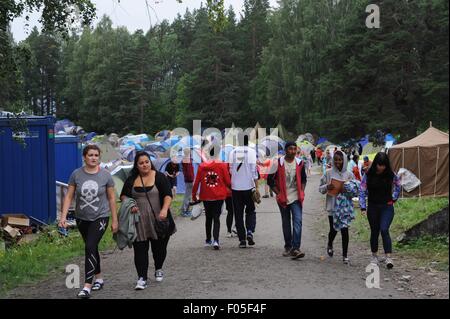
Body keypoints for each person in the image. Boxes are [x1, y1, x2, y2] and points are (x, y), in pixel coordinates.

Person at [59, 144, 118, 299]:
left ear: (99, 158)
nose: (93, 158)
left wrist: (115, 220)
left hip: (101, 216)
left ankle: (87, 286)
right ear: (84, 157)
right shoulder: (76, 174)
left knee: (90, 246)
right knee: (91, 248)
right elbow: (69, 196)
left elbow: (112, 199)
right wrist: (63, 216)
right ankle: (99, 278)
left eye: (96, 155)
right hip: (81, 217)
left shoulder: (106, 175)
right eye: (90, 155)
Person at [120, 151, 176, 290]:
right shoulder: (132, 179)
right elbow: (123, 196)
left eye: (146, 162)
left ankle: (158, 268)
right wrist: (131, 205)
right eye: (141, 163)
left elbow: (168, 195)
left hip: (159, 220)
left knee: (159, 249)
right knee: (140, 250)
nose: (144, 165)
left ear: (150, 162)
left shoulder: (160, 177)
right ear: (136, 165)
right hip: (139, 222)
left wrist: (164, 210)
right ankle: (142, 278)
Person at [359, 152, 400, 269]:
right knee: (375, 231)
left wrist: (394, 197)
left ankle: (388, 257)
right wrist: (363, 206)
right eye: (379, 165)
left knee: (384, 229)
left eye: (383, 165)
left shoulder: (391, 174)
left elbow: (398, 185)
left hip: (387, 206)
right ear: (375, 164)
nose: (381, 167)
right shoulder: (368, 174)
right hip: (372, 207)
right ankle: (374, 256)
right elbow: (362, 190)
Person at [268, 141, 307, 259]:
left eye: (295, 149)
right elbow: (270, 181)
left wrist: (302, 191)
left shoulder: (300, 163)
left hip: (296, 197)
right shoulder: (277, 163)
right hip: (283, 198)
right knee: (286, 222)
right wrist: (278, 194)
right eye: (290, 149)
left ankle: (296, 248)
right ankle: (288, 246)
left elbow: (304, 179)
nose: (293, 151)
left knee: (298, 221)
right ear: (285, 150)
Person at [319, 150, 357, 264]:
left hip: (345, 207)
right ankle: (330, 244)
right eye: (335, 160)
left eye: (340, 160)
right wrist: (327, 186)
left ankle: (345, 255)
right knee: (333, 229)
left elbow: (356, 190)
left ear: (344, 160)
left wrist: (348, 189)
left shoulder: (349, 174)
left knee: (345, 230)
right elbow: (320, 189)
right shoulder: (328, 173)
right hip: (333, 206)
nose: (338, 162)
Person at [192, 147, 231, 250]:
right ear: (218, 154)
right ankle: (216, 241)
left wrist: (193, 195)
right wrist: (232, 188)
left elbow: (196, 182)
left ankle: (208, 239)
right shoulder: (222, 165)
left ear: (208, 154)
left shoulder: (201, 166)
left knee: (208, 218)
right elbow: (227, 181)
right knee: (216, 218)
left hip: (206, 196)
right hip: (219, 196)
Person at [228, 135, 259, 248]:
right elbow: (254, 172)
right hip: (248, 186)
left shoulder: (232, 153)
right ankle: (250, 231)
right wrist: (257, 187)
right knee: (250, 211)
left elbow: (230, 170)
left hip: (236, 188)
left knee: (238, 214)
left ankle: (242, 240)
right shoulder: (251, 152)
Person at [181, 148, 195, 217]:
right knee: (187, 196)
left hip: (189, 179)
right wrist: (192, 179)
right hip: (189, 180)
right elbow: (189, 172)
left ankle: (186, 209)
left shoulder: (187, 159)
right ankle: (184, 210)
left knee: (188, 196)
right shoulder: (187, 160)